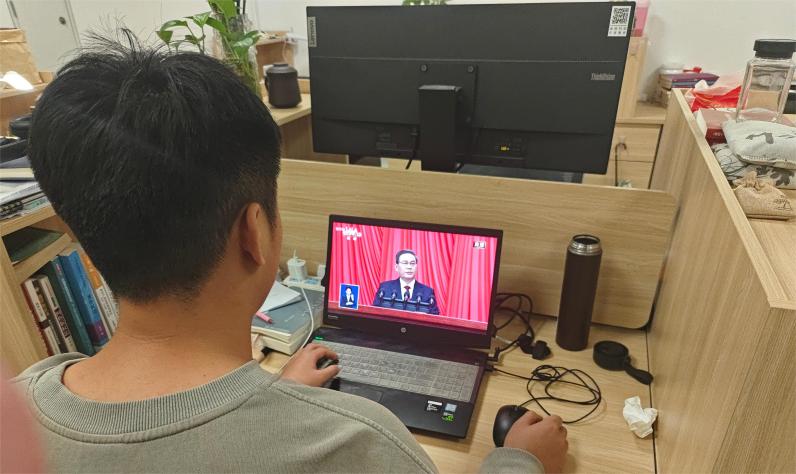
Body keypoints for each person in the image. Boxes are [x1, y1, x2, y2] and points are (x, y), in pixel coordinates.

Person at [10, 32, 567, 473]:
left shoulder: (15, 417)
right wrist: (520, 460)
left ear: (78, 228)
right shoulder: (357, 446)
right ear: (254, 233)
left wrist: (278, 397)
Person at [373, 250, 440, 314]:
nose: (409, 267)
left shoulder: (428, 292)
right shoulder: (385, 288)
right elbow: (375, 311)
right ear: (396, 267)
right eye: (405, 263)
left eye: (412, 263)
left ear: (416, 267)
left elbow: (434, 316)